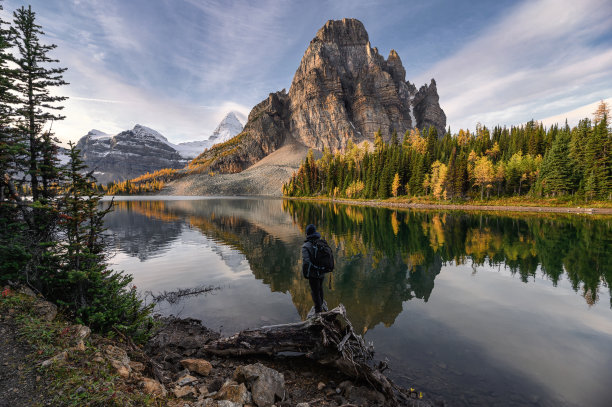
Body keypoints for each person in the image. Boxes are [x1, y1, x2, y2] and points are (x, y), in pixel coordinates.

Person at [302, 224, 327, 314]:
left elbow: (306, 262)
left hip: (313, 274)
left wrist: (306, 274)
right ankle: (321, 305)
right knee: (320, 288)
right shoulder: (320, 242)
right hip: (322, 271)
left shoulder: (306, 246)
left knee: (315, 292)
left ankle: (318, 312)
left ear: (307, 233)